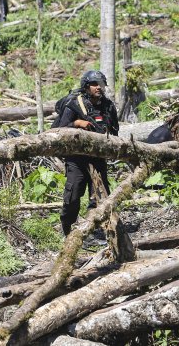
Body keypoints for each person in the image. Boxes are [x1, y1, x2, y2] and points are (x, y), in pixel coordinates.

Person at [57, 70, 119, 235]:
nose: (99, 87)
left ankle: (93, 230)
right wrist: (77, 123)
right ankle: (67, 231)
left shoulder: (108, 106)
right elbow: (59, 130)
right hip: (76, 159)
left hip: (98, 157)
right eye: (94, 84)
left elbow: (114, 132)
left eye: (101, 84)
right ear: (86, 86)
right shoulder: (74, 104)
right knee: (73, 196)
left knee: (99, 196)